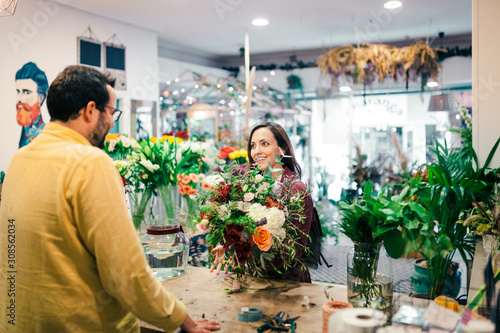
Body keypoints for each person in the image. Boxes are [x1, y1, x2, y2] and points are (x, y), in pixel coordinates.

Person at [0, 65, 219, 333]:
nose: (113, 122)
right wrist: (182, 320)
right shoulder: (90, 162)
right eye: (111, 112)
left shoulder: (20, 159)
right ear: (90, 110)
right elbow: (127, 274)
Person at [210, 122, 313, 283]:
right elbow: (244, 230)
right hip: (253, 279)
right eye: (253, 145)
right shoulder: (248, 186)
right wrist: (229, 247)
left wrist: (245, 251)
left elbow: (295, 251)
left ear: (282, 149)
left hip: (287, 285)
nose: (257, 151)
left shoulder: (295, 190)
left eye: (264, 144)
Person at [15, 62, 48, 148]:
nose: (20, 98)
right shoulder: (24, 130)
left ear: (40, 98)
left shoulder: (45, 137)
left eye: (26, 92)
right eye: (18, 92)